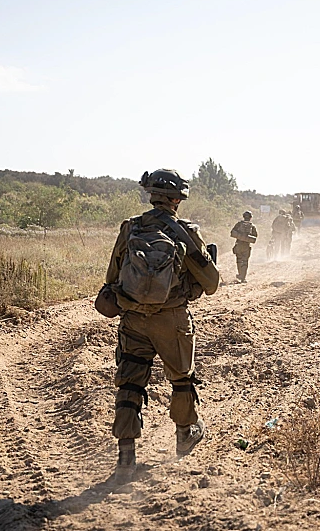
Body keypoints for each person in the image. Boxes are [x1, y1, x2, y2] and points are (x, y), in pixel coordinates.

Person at [104, 168, 220, 482]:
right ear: (177, 199)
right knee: (181, 379)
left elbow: (111, 278)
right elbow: (211, 283)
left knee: (130, 383)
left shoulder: (130, 228)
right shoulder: (185, 232)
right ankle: (185, 433)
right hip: (172, 320)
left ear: (150, 194)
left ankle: (126, 457)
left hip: (133, 319)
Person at [230, 210, 258, 283]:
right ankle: (243, 277)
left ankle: (240, 274)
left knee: (239, 260)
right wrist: (247, 237)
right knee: (245, 261)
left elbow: (232, 232)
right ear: (251, 217)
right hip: (246, 245)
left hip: (238, 244)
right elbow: (255, 237)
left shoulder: (239, 224)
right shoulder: (252, 226)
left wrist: (240, 236)